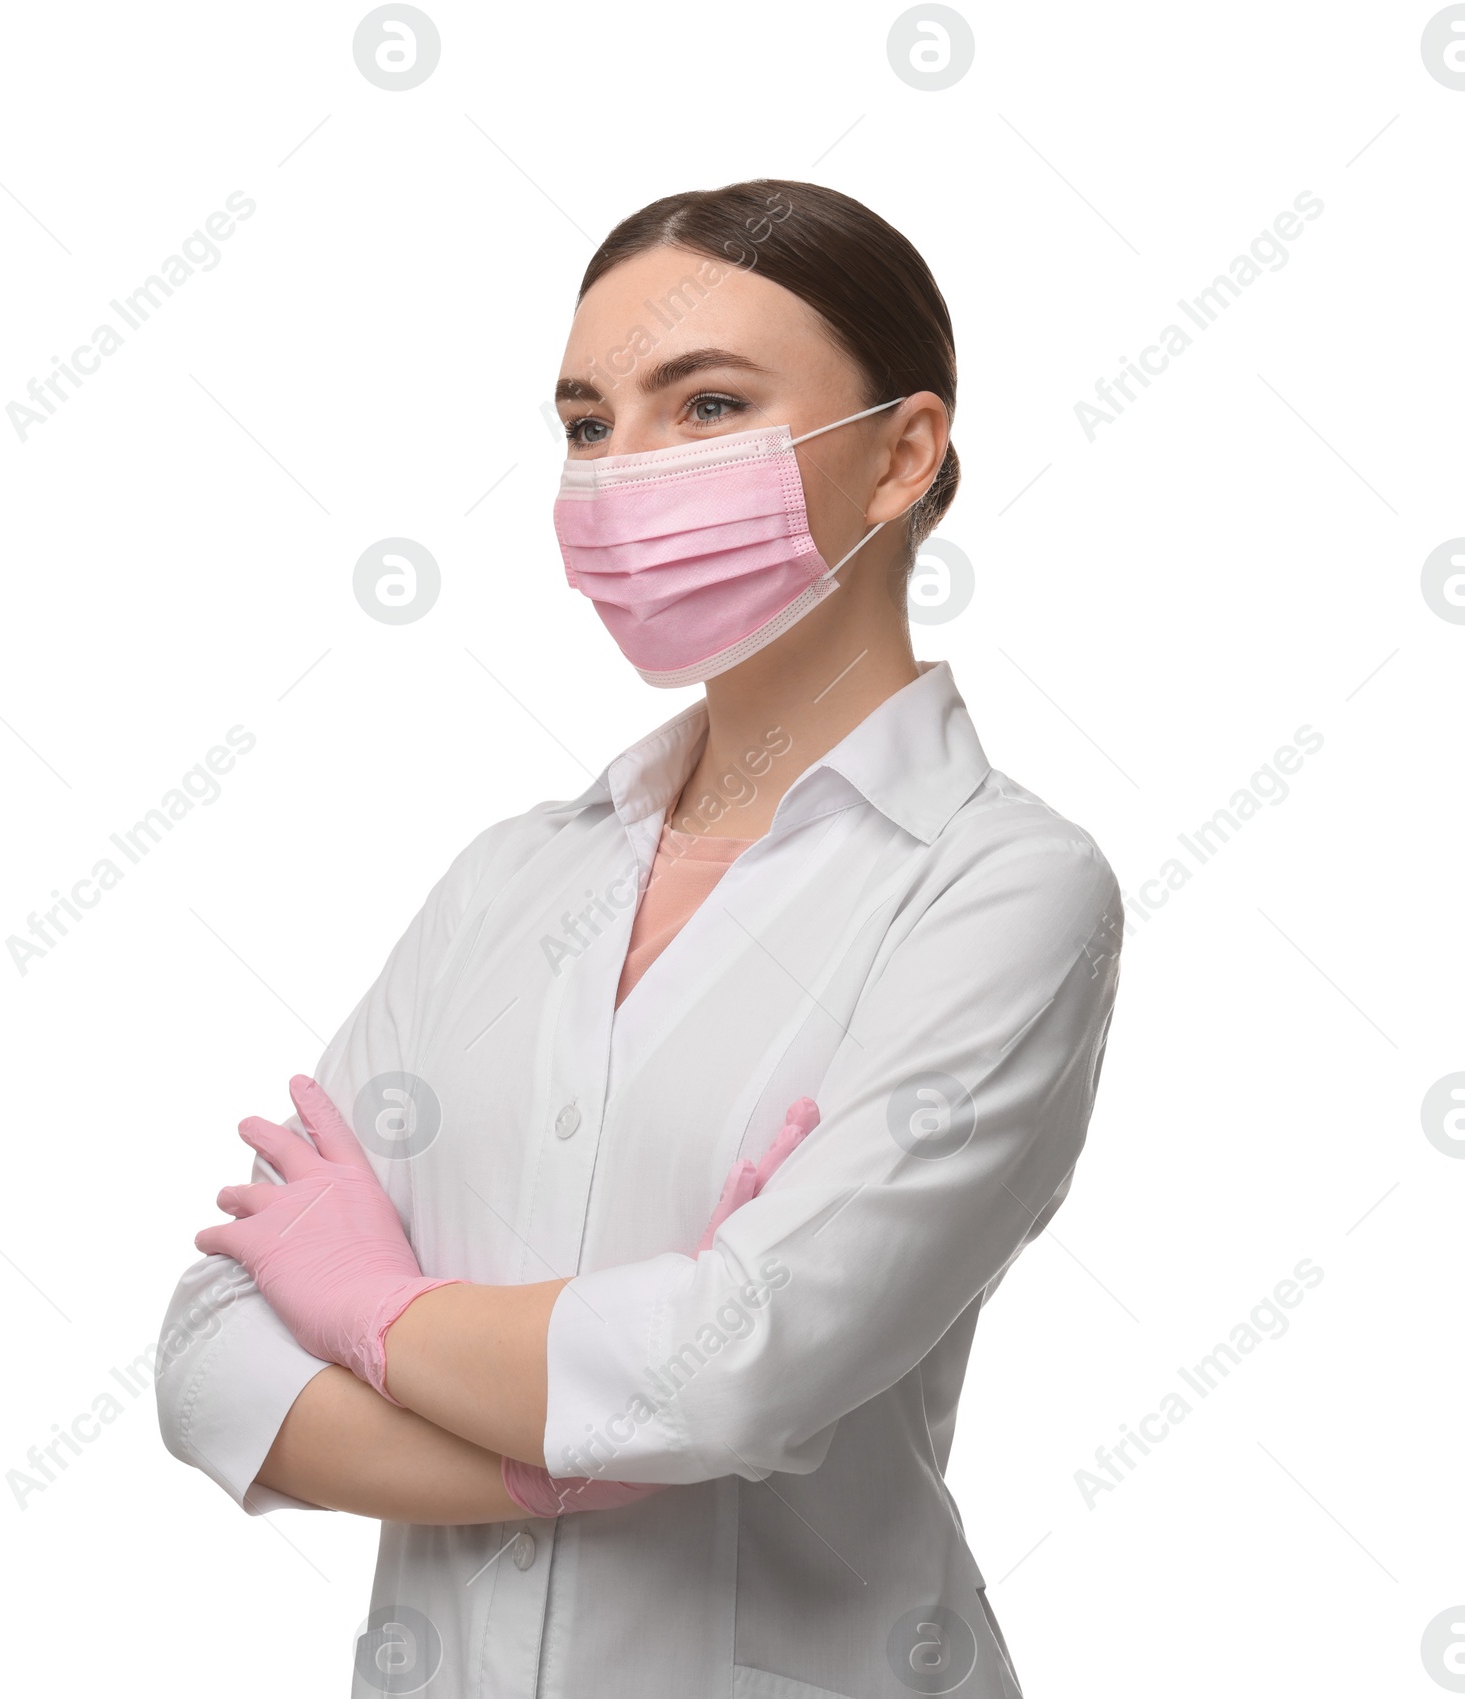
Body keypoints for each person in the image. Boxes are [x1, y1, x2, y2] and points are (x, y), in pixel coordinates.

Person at [157, 178, 1123, 1699]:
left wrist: (369, 1310)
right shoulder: (512, 883)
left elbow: (737, 1364)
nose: (621, 474)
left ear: (902, 454)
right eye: (589, 423)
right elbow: (211, 1351)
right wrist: (577, 1450)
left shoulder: (1000, 889)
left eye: (709, 404)